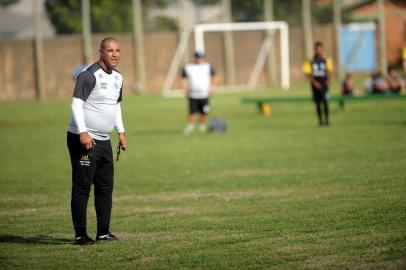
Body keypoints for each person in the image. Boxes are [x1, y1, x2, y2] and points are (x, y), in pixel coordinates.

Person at [67, 37, 127, 245]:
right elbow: (76, 105)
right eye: (109, 50)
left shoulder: (119, 77)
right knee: (82, 186)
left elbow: (115, 106)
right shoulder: (88, 75)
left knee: (105, 187)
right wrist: (83, 132)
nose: (115, 54)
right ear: (100, 52)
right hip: (83, 138)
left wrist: (121, 131)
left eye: (118, 50)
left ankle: (103, 232)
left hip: (104, 140)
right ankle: (80, 235)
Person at [180, 51, 218, 134]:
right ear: (194, 58)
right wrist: (184, 89)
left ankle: (202, 126)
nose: (199, 59)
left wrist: (212, 88)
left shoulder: (208, 66)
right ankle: (190, 127)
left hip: (204, 94)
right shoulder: (188, 67)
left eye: (200, 58)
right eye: (197, 58)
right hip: (193, 94)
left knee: (204, 111)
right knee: (192, 112)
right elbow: (182, 78)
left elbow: (215, 76)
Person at [302, 41, 333, 126]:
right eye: (317, 49)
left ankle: (327, 120)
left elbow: (330, 71)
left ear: (322, 49)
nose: (319, 51)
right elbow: (307, 73)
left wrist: (328, 81)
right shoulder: (310, 60)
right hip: (315, 84)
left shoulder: (326, 59)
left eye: (320, 49)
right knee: (318, 103)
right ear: (315, 50)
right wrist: (314, 82)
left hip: (324, 84)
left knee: (325, 101)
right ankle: (320, 121)